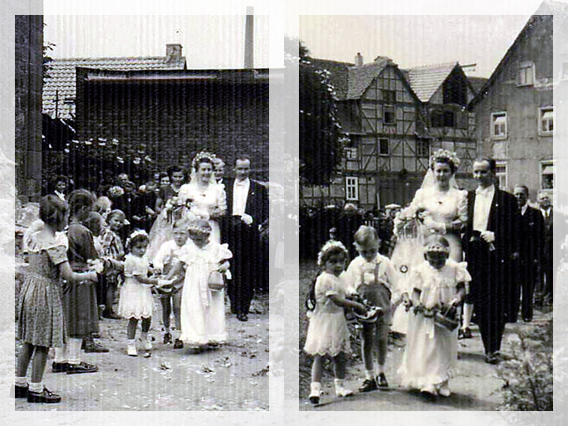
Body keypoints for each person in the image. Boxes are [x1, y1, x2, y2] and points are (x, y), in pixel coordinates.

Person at [15, 196, 98, 404]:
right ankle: (36, 388)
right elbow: (68, 275)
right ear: (59, 218)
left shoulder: (33, 237)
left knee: (28, 340)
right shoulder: (55, 245)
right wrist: (89, 275)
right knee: (42, 342)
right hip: (45, 291)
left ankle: (19, 383)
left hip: (30, 288)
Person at [391, 149, 467, 336]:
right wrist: (401, 220)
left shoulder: (460, 195)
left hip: (450, 242)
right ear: (432, 172)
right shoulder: (423, 193)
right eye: (438, 170)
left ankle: (448, 327)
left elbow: (464, 222)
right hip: (425, 242)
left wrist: (443, 227)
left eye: (445, 171)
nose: (441, 175)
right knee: (423, 280)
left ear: (452, 172)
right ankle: (422, 327)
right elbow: (411, 213)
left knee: (449, 280)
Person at [463, 158, 520, 364]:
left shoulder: (507, 199)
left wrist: (497, 235)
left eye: (483, 172)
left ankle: (494, 348)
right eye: (476, 172)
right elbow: (464, 226)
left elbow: (516, 230)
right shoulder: (468, 197)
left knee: (496, 302)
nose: (479, 176)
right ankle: (488, 345)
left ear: (493, 173)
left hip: (497, 257)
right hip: (475, 255)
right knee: (479, 302)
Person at [398, 236, 469, 397]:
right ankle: (426, 381)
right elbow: (415, 291)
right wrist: (416, 303)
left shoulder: (454, 268)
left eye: (440, 260)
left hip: (445, 314)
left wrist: (457, 298)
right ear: (426, 257)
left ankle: (442, 380)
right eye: (432, 261)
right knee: (426, 346)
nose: (436, 264)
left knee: (443, 346)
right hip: (425, 315)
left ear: (447, 255)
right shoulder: (421, 270)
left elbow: (462, 288)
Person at [304, 240, 367, 405]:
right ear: (323, 263)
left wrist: (353, 294)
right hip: (324, 321)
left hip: (337, 320)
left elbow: (346, 288)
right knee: (321, 354)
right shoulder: (325, 279)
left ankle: (340, 386)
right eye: (333, 262)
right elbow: (338, 300)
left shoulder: (341, 276)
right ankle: (315, 389)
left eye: (341, 261)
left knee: (339, 356)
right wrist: (357, 305)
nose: (338, 265)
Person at [52, 189, 106, 374]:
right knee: (79, 317)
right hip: (81, 276)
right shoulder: (83, 231)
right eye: (88, 209)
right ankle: (74, 360)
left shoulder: (62, 229)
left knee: (64, 317)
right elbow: (91, 257)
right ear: (82, 208)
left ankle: (59, 358)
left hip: (62, 276)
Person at [164, 218, 232, 350]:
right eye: (194, 240)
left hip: (211, 285)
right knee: (194, 308)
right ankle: (196, 336)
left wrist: (224, 266)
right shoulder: (188, 249)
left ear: (208, 236)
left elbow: (226, 262)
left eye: (200, 240)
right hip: (193, 284)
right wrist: (168, 278)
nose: (197, 243)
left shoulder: (216, 248)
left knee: (213, 309)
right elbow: (180, 264)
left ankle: (213, 336)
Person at [344, 225, 397, 392]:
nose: (368, 255)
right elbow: (348, 284)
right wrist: (352, 293)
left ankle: (381, 372)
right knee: (366, 340)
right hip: (363, 308)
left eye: (372, 251)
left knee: (381, 339)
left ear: (379, 244)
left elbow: (397, 285)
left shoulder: (385, 263)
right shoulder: (355, 264)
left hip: (382, 306)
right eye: (364, 252)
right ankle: (369, 376)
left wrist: (391, 305)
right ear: (356, 248)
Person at [222, 154, 269, 321]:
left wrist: (254, 219)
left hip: (248, 230)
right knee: (231, 267)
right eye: (240, 168)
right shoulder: (224, 187)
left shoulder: (259, 189)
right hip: (229, 229)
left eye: (246, 168)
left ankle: (244, 307)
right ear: (234, 169)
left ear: (250, 169)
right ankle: (234, 303)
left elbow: (265, 211)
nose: (243, 172)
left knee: (248, 270)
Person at [117, 230, 160, 357]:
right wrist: (157, 281)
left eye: (144, 248)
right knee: (134, 317)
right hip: (133, 290)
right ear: (130, 247)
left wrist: (153, 270)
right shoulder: (130, 260)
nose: (141, 251)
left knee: (147, 315)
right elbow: (141, 278)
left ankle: (144, 336)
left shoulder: (143, 258)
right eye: (138, 248)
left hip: (143, 290)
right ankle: (131, 343)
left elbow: (145, 268)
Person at [152, 218, 189, 348]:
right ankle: (167, 331)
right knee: (165, 306)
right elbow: (158, 259)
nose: (179, 237)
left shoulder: (189, 247)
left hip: (181, 281)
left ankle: (179, 335)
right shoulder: (167, 246)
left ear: (188, 234)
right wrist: (158, 267)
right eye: (177, 233)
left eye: (183, 233)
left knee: (178, 307)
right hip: (167, 280)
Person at [178, 152, 227, 244]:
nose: (207, 172)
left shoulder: (218, 189)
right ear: (196, 171)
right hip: (191, 227)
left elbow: (222, 211)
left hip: (211, 228)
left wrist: (207, 215)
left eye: (209, 170)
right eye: (203, 169)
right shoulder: (186, 189)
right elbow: (181, 211)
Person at [512, 185, 544, 323]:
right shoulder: (509, 213)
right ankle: (512, 313)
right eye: (517, 194)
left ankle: (527, 313)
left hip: (530, 257)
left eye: (522, 195)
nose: (519, 197)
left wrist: (537, 257)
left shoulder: (535, 214)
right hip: (513, 257)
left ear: (527, 196)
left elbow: (540, 238)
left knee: (528, 287)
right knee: (513, 286)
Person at [99, 209, 127, 319]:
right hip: (111, 262)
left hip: (117, 261)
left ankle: (108, 307)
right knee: (111, 284)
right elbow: (104, 248)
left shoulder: (115, 234)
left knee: (114, 284)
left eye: (120, 222)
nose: (118, 224)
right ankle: (108, 309)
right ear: (109, 220)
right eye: (115, 221)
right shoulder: (108, 234)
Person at [537, 191, 554, 306]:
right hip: (538, 250)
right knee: (538, 273)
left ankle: (550, 297)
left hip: (553, 250)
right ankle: (538, 297)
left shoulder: (558, 215)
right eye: (542, 198)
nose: (545, 200)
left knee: (551, 274)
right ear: (538, 201)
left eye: (547, 198)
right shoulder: (534, 214)